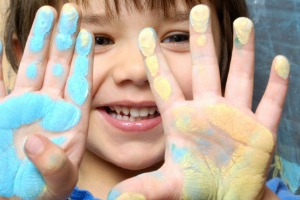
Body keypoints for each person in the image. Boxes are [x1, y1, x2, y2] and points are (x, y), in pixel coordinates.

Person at [1, 0, 298, 199]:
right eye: (98, 40)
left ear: (224, 53)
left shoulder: (261, 194)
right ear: (25, 54)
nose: (137, 69)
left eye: (177, 38)